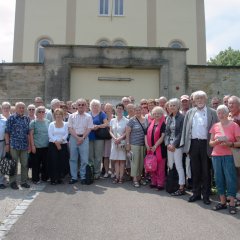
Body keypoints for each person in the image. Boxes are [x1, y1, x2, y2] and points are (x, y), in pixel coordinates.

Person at [181, 90, 218, 204]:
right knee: (195, 170)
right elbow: (185, 130)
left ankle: (206, 195)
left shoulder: (212, 112)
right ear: (194, 101)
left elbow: (216, 129)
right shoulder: (190, 112)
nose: (199, 100)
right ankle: (196, 193)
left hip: (206, 144)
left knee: (206, 171)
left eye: (201, 98)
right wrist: (185, 146)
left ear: (205, 99)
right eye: (197, 99)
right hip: (193, 144)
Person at [209, 105, 240, 214]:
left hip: (229, 155)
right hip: (216, 155)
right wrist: (216, 142)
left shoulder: (234, 125)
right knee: (218, 178)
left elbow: (239, 142)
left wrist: (230, 143)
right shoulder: (215, 126)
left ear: (227, 113)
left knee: (230, 178)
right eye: (219, 113)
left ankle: (231, 203)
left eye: (223, 112)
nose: (220, 115)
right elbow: (211, 143)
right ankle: (222, 201)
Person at [5, 102, 31, 190]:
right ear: (16, 109)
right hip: (14, 145)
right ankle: (13, 182)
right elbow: (7, 132)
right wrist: (7, 144)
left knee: (24, 164)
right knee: (14, 164)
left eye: (23, 108)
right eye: (19, 107)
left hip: (24, 146)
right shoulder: (11, 118)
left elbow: (28, 133)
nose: (21, 109)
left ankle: (23, 182)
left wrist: (30, 145)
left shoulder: (27, 119)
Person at [68, 98, 93, 184]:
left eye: (83, 104)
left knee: (84, 159)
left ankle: (83, 177)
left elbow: (89, 128)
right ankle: (74, 177)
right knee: (73, 159)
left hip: (84, 139)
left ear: (86, 106)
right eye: (79, 105)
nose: (81, 106)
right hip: (74, 138)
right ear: (76, 106)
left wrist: (82, 138)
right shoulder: (71, 116)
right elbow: (70, 128)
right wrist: (77, 138)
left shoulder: (89, 116)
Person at [165, 98, 185, 196]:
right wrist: (168, 143)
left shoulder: (182, 117)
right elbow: (167, 132)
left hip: (177, 145)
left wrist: (174, 144)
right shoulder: (168, 117)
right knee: (170, 165)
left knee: (178, 165)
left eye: (174, 105)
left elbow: (181, 133)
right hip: (169, 145)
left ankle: (181, 187)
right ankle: (172, 185)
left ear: (178, 106)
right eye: (170, 105)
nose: (172, 107)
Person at [145, 106, 166, 190]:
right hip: (150, 149)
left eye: (159, 113)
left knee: (160, 167)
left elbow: (162, 137)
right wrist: (147, 145)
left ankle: (160, 184)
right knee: (152, 166)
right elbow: (145, 134)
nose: (156, 115)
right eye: (155, 113)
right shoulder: (151, 123)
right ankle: (153, 182)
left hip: (160, 149)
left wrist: (155, 146)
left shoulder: (164, 124)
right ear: (152, 114)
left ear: (162, 114)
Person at [126, 105, 147, 187]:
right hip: (134, 144)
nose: (138, 111)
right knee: (135, 162)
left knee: (141, 163)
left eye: (139, 110)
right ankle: (135, 179)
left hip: (143, 144)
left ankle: (139, 178)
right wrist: (128, 144)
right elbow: (127, 133)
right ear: (134, 111)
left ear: (142, 110)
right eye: (136, 110)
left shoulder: (145, 120)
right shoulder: (132, 120)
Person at [48, 108, 69, 185]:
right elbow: (50, 135)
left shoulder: (66, 124)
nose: (58, 116)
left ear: (62, 115)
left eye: (60, 114)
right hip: (53, 145)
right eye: (57, 114)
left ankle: (59, 178)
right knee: (54, 162)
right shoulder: (51, 124)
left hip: (63, 145)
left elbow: (66, 134)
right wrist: (56, 143)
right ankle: (53, 179)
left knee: (61, 161)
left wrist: (61, 141)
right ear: (54, 116)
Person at [29, 106, 50, 184]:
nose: (41, 113)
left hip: (46, 147)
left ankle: (45, 178)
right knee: (36, 164)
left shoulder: (48, 122)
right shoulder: (33, 122)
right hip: (36, 147)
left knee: (45, 163)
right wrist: (32, 146)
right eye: (39, 111)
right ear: (36, 113)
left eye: (43, 112)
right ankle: (35, 179)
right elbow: (31, 135)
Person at [88, 99, 108, 179]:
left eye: (96, 105)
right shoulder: (88, 114)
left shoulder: (102, 114)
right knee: (90, 155)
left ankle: (97, 172)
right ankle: (91, 171)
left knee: (98, 156)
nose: (95, 107)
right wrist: (91, 127)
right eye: (93, 105)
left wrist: (98, 126)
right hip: (89, 136)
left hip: (99, 137)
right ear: (90, 106)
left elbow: (106, 124)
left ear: (99, 106)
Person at [109, 103, 128, 183]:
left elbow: (127, 132)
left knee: (122, 160)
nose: (119, 110)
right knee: (116, 161)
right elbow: (110, 131)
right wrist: (115, 138)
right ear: (116, 109)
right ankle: (116, 177)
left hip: (122, 142)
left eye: (121, 108)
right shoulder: (112, 120)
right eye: (118, 108)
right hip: (114, 142)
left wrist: (119, 138)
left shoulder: (126, 120)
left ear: (123, 110)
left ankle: (121, 177)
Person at [228, 96, 240, 202]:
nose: (230, 105)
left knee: (238, 171)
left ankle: (238, 193)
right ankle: (233, 193)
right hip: (229, 148)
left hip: (238, 148)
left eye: (233, 103)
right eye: (229, 103)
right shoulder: (229, 115)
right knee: (232, 171)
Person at [103, 103, 114, 178]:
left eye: (109, 108)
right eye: (106, 108)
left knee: (113, 156)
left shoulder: (115, 117)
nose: (108, 110)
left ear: (112, 109)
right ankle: (106, 172)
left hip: (113, 139)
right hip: (106, 139)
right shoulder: (103, 117)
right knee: (106, 156)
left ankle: (113, 171)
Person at [0, 113, 7, 189]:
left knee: (2, 162)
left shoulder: (4, 120)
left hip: (2, 142)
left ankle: (1, 181)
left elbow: (6, 132)